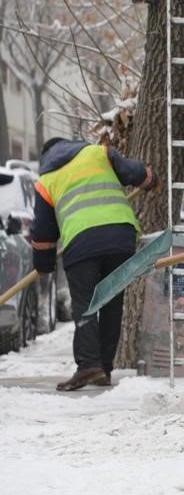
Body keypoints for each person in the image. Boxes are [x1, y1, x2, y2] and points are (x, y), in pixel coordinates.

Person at [30, 137, 162, 390]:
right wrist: (150, 179)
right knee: (112, 304)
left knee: (86, 306)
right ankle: (104, 368)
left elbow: (43, 231)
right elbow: (133, 171)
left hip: (81, 243)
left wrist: (44, 265)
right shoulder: (97, 153)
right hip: (121, 237)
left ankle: (89, 365)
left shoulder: (46, 180)